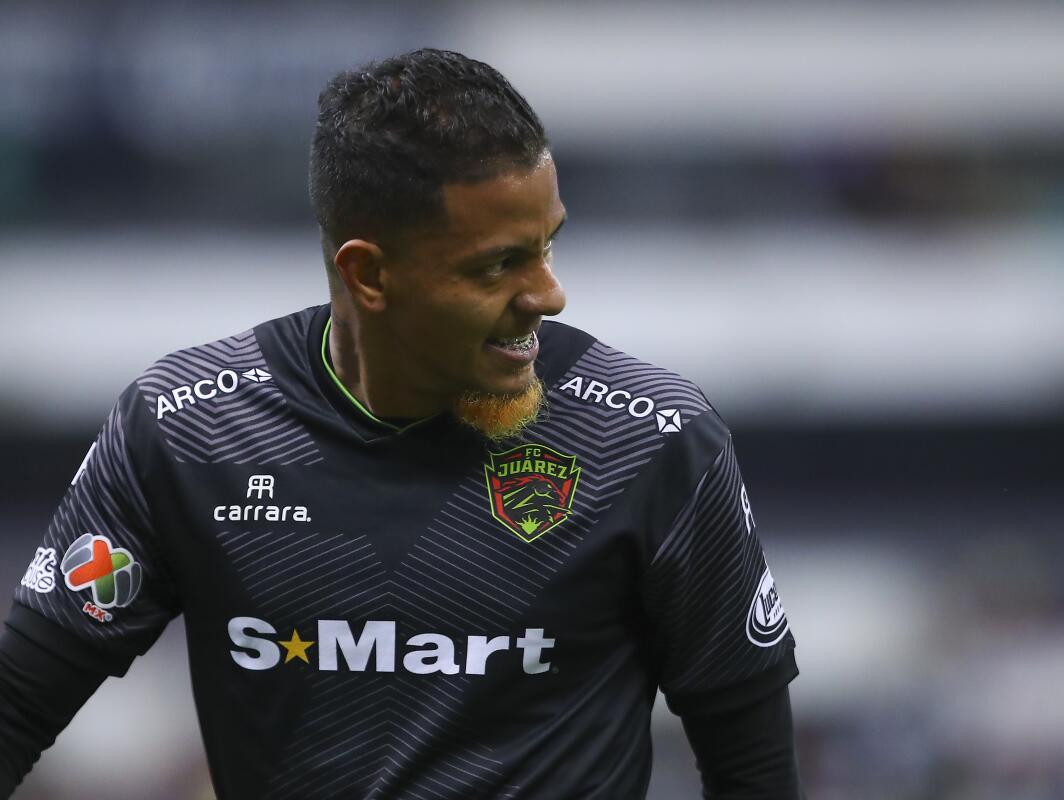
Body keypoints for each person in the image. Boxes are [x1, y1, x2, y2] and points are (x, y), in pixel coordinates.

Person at [0, 49, 802, 799]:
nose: (548, 294)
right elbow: (18, 705)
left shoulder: (650, 441)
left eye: (548, 247)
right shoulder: (185, 430)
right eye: (498, 265)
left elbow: (754, 770)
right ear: (369, 273)